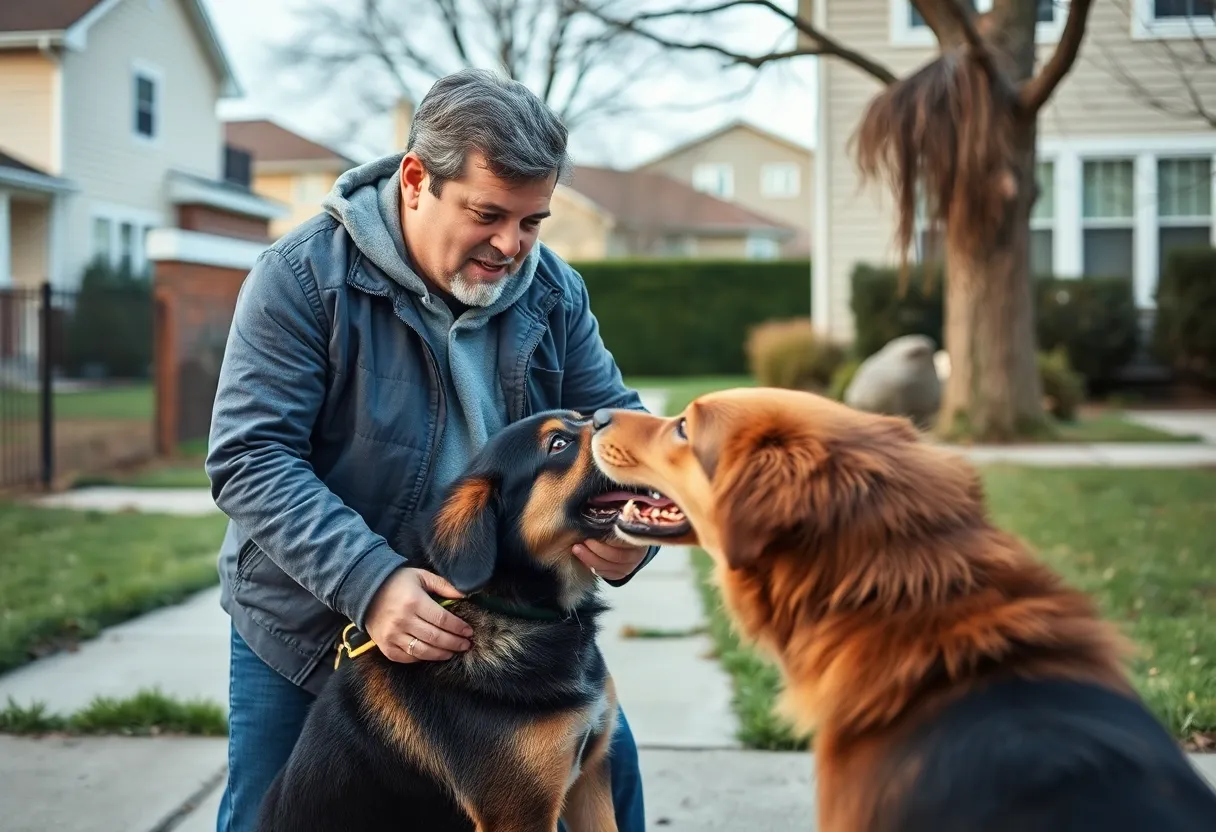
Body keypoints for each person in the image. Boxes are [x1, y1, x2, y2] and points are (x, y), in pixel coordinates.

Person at [206, 68, 657, 832]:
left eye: (533, 220)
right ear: (416, 179)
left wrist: (629, 531)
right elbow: (251, 458)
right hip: (316, 622)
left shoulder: (555, 293)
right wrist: (371, 582)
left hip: (509, 625)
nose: (512, 245)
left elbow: (622, 430)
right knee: (269, 815)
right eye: (489, 214)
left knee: (613, 786)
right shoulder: (301, 278)